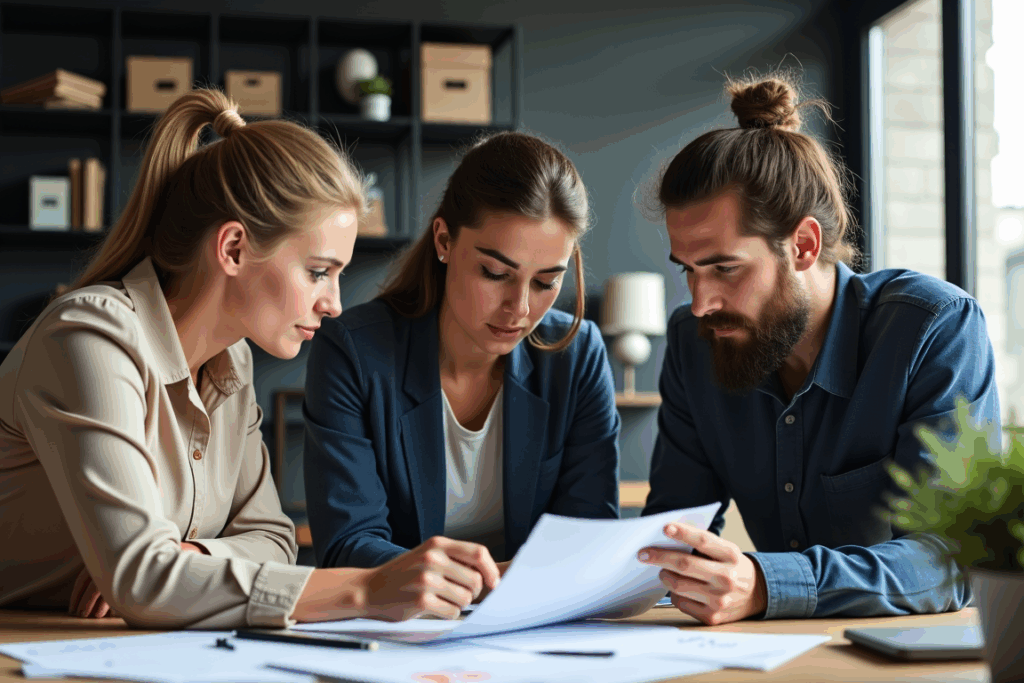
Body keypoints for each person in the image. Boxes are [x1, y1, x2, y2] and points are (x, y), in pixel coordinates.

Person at [0, 88, 500, 629]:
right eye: (318, 271)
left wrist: (195, 562)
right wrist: (368, 588)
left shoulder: (230, 365)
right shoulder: (88, 339)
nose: (333, 304)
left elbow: (274, 540)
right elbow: (144, 579)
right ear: (234, 248)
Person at [635, 75, 1000, 625]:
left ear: (803, 245)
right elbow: (672, 533)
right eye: (688, 269)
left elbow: (953, 558)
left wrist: (765, 584)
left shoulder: (933, 329)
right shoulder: (694, 342)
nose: (701, 301)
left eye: (724, 268)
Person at [303, 131, 620, 578]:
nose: (521, 308)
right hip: (403, 628)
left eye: (547, 282)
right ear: (444, 241)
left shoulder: (578, 354)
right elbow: (347, 545)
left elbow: (589, 536)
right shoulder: (353, 353)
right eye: (494, 273)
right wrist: (491, 582)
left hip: (536, 630)